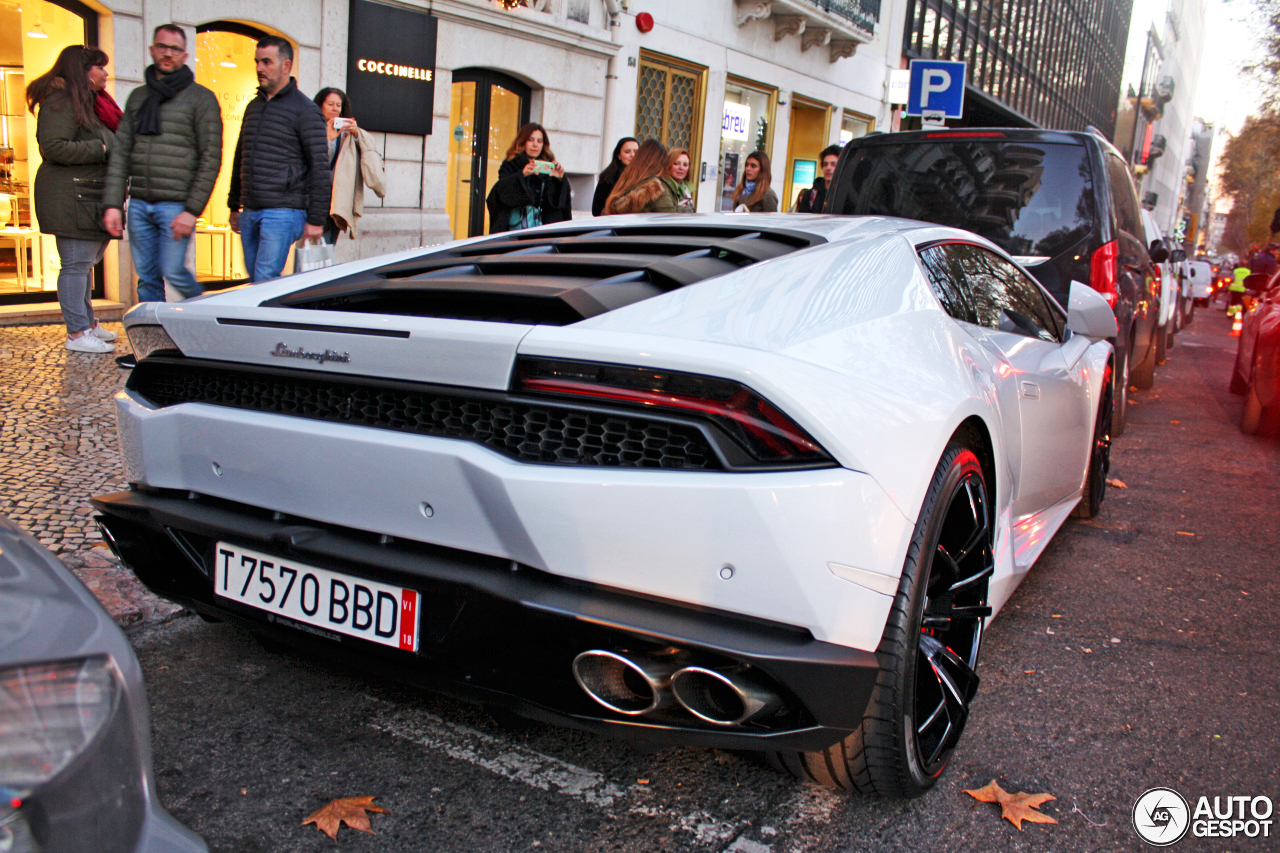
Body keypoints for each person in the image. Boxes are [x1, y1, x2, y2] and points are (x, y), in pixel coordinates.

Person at [103, 24, 222, 305]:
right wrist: (112, 203)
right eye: (163, 47)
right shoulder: (139, 97)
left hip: (176, 206)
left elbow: (210, 157)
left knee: (174, 271)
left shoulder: (200, 98)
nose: (168, 54)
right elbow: (121, 152)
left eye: (175, 49)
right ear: (152, 50)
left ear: (184, 55)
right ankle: (154, 339)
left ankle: (208, 315)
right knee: (146, 277)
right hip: (140, 203)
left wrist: (192, 210)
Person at [27, 45, 119, 353]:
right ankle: (77, 334)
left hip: (85, 195)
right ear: (83, 71)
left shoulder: (84, 101)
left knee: (84, 265)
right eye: (100, 68)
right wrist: (101, 149)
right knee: (75, 265)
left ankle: (87, 323)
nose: (106, 73)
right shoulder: (61, 101)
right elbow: (53, 146)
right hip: (70, 196)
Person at [227, 36, 330, 281]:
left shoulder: (305, 110)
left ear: (286, 66)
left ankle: (263, 320)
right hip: (251, 209)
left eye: (266, 62)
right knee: (256, 278)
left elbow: (320, 167)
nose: (259, 68)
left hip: (284, 211)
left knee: (264, 278)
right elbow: (240, 156)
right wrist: (234, 205)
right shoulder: (254, 106)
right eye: (257, 62)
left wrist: (316, 219)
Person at [313, 87, 385, 244]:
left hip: (338, 198)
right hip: (316, 198)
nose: (334, 109)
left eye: (338, 105)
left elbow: (368, 151)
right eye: (330, 104)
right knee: (315, 248)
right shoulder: (312, 128)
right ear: (320, 105)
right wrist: (327, 138)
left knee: (329, 245)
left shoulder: (346, 133)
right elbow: (313, 160)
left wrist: (356, 134)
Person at [485, 123, 571, 233]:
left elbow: (560, 205)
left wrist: (558, 179)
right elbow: (501, 193)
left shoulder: (549, 167)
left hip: (545, 232)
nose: (535, 145)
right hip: (516, 233)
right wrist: (522, 175)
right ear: (523, 142)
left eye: (539, 141)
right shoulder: (511, 165)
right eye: (531, 140)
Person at [602, 139, 678, 214]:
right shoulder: (656, 187)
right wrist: (686, 209)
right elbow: (669, 217)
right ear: (659, 165)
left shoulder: (624, 182)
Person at [591, 136, 637, 216]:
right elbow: (597, 209)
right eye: (627, 152)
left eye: (636, 152)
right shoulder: (608, 176)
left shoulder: (645, 176)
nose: (632, 155)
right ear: (618, 155)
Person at [795, 144, 840, 213]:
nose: (828, 168)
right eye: (825, 164)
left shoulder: (846, 195)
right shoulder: (810, 196)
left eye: (833, 164)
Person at [665, 147, 695, 213]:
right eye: (676, 163)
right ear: (668, 165)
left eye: (685, 165)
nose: (681, 168)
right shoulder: (663, 187)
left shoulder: (686, 189)